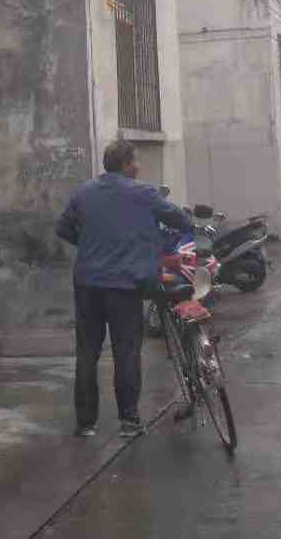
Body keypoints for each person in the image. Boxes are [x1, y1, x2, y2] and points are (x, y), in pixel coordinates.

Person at [56, 139, 191, 438]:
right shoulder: (144, 193)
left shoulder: (84, 192)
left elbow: (63, 228)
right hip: (125, 285)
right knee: (126, 351)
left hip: (88, 283)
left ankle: (85, 423)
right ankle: (129, 421)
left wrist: (89, 244)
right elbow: (180, 220)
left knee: (87, 352)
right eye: (136, 161)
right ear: (127, 164)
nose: (139, 166)